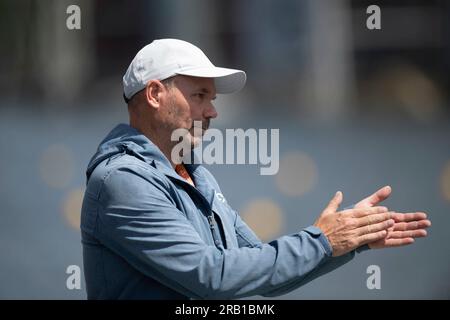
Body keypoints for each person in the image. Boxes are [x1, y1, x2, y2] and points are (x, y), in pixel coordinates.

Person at [80, 39, 431, 300]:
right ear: (155, 94)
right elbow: (214, 276)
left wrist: (351, 239)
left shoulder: (196, 176)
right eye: (200, 95)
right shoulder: (122, 182)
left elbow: (256, 270)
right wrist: (324, 241)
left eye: (212, 99)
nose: (212, 111)